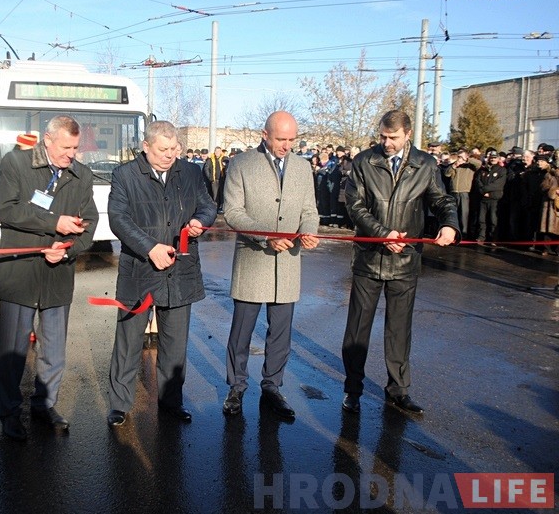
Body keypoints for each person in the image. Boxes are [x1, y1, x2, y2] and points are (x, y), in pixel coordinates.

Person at [341, 110, 459, 416]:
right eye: (382, 136)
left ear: (408, 134)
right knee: (357, 329)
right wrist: (383, 234)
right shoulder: (364, 161)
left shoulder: (426, 164)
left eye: (392, 137)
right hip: (369, 257)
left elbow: (442, 200)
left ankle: (398, 390)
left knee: (399, 329)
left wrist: (449, 225)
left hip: (405, 260)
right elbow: (355, 206)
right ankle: (353, 389)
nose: (386, 142)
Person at [0, 115, 99, 441]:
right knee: (13, 352)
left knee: (53, 350)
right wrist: (55, 222)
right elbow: (8, 210)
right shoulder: (16, 163)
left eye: (75, 148)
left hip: (57, 275)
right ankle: (9, 413)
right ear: (47, 140)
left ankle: (45, 404)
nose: (71, 154)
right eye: (66, 147)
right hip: (19, 273)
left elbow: (89, 224)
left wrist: (66, 251)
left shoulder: (81, 175)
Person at [106, 120, 216, 427]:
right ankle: (119, 404)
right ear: (146, 147)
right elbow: (118, 219)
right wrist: (149, 247)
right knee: (129, 342)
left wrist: (200, 221)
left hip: (180, 271)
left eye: (174, 149)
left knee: (175, 344)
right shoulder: (125, 175)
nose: (170, 155)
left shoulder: (191, 172)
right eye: (163, 149)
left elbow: (208, 206)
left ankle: (171, 401)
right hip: (139, 271)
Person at [220, 110, 320, 421]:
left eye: (292, 139)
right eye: (280, 139)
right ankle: (236, 386)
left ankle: (273, 386)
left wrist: (309, 231)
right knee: (242, 332)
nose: (286, 145)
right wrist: (266, 236)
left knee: (280, 333)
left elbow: (309, 210)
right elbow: (233, 212)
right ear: (265, 135)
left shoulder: (303, 167)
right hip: (253, 261)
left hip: (287, 263)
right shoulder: (241, 164)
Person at [474, 150, 506, 245]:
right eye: (491, 158)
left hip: (494, 198)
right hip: (483, 198)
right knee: (481, 219)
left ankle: (493, 238)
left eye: (495, 158)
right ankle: (481, 237)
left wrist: (486, 190)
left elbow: (498, 184)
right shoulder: (482, 170)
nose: (493, 159)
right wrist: (482, 191)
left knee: (493, 220)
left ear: (498, 159)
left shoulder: (502, 170)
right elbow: (477, 181)